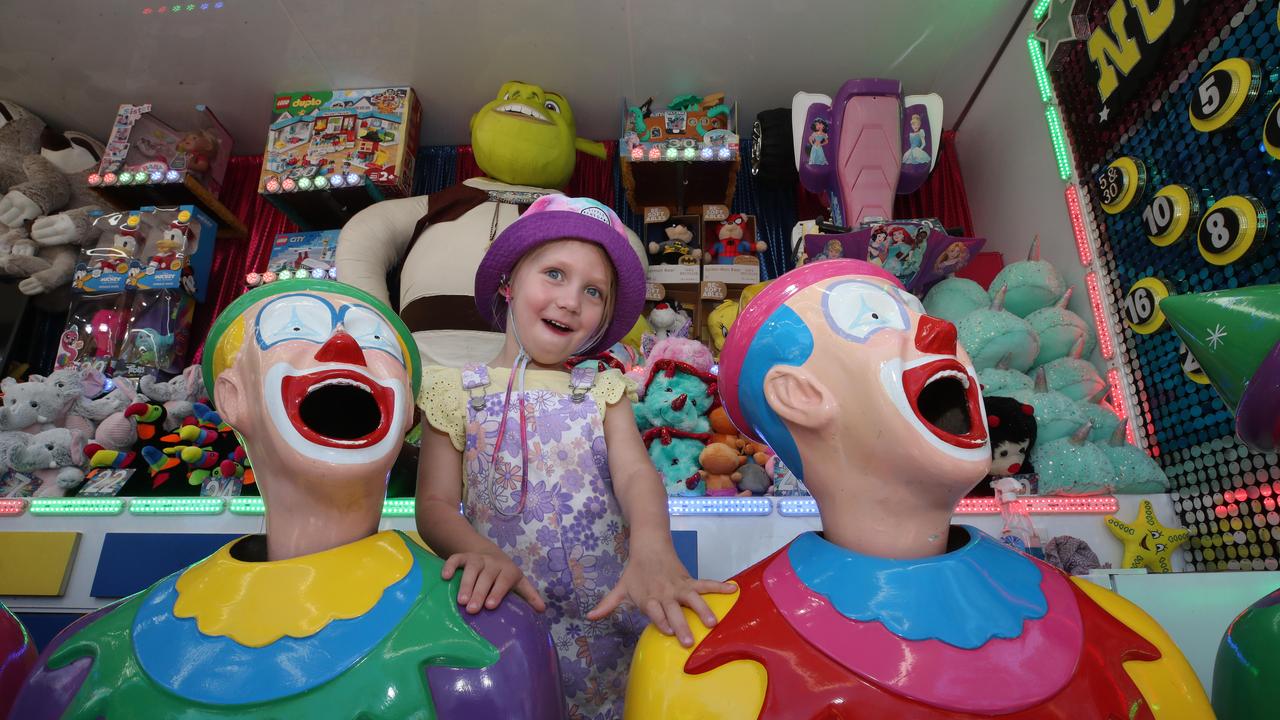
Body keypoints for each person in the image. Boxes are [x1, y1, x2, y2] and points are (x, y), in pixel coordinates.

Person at [624, 260, 1211, 719]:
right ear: (799, 395)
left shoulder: (1125, 638)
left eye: (916, 310)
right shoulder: (696, 660)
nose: (940, 328)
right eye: (877, 320)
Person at [12, 280, 564, 719]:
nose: (343, 348)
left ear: (408, 417)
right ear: (233, 397)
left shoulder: (494, 641)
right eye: (295, 329)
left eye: (375, 344)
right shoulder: (86, 658)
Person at [416, 195, 733, 719]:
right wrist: (477, 550)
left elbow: (636, 475)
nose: (570, 301)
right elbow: (434, 502)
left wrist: (653, 546)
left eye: (593, 291)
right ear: (508, 282)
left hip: (611, 616)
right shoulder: (455, 391)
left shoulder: (603, 389)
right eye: (555, 274)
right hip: (505, 618)